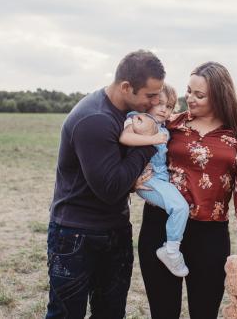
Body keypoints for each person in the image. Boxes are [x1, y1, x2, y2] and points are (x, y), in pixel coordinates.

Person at [138, 61, 237, 319]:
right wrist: (130, 180)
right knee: (163, 313)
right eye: (188, 91)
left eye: (199, 95)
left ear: (220, 97)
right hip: (161, 228)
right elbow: (135, 148)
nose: (190, 98)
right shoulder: (170, 125)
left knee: (204, 312)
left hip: (209, 235)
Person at [46, 50, 165, 319]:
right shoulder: (95, 119)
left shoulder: (126, 113)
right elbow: (111, 189)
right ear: (126, 87)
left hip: (115, 230)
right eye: (150, 95)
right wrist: (150, 143)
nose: (156, 101)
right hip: (76, 236)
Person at [119, 84, 190, 277]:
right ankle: (171, 250)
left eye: (168, 107)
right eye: (159, 104)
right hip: (148, 179)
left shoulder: (162, 125)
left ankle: (171, 247)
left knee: (178, 207)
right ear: (148, 102)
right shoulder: (139, 118)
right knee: (180, 207)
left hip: (160, 178)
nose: (163, 110)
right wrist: (153, 139)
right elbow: (125, 137)